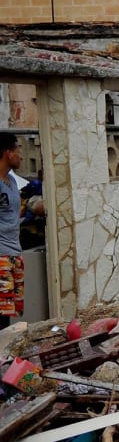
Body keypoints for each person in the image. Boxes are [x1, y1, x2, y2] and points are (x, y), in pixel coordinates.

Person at [0, 134, 25, 327]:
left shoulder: (12, 181)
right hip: (1, 255)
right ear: (8, 153)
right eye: (17, 150)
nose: (20, 155)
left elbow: (14, 211)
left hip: (14, 253)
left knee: (8, 312)